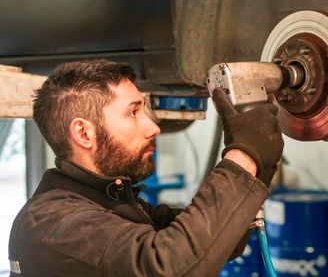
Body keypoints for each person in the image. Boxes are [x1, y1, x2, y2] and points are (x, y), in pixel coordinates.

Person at [8, 59, 284, 277]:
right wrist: (244, 156)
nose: (153, 127)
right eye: (132, 112)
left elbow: (216, 243)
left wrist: (262, 156)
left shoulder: (112, 205)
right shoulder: (51, 223)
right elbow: (169, 267)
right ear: (83, 133)